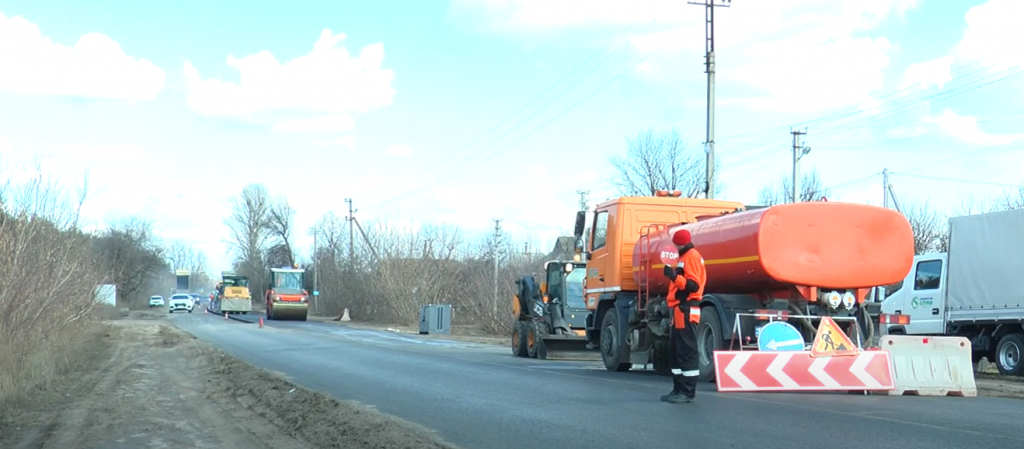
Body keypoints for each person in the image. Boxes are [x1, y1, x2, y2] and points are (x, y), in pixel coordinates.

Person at [660, 229, 706, 403]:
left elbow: (693, 286)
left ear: (679, 244)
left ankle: (687, 392)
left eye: (675, 244)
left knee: (686, 350)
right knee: (676, 351)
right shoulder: (684, 257)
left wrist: (673, 276)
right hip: (680, 309)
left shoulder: (691, 257)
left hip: (686, 309)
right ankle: (678, 389)